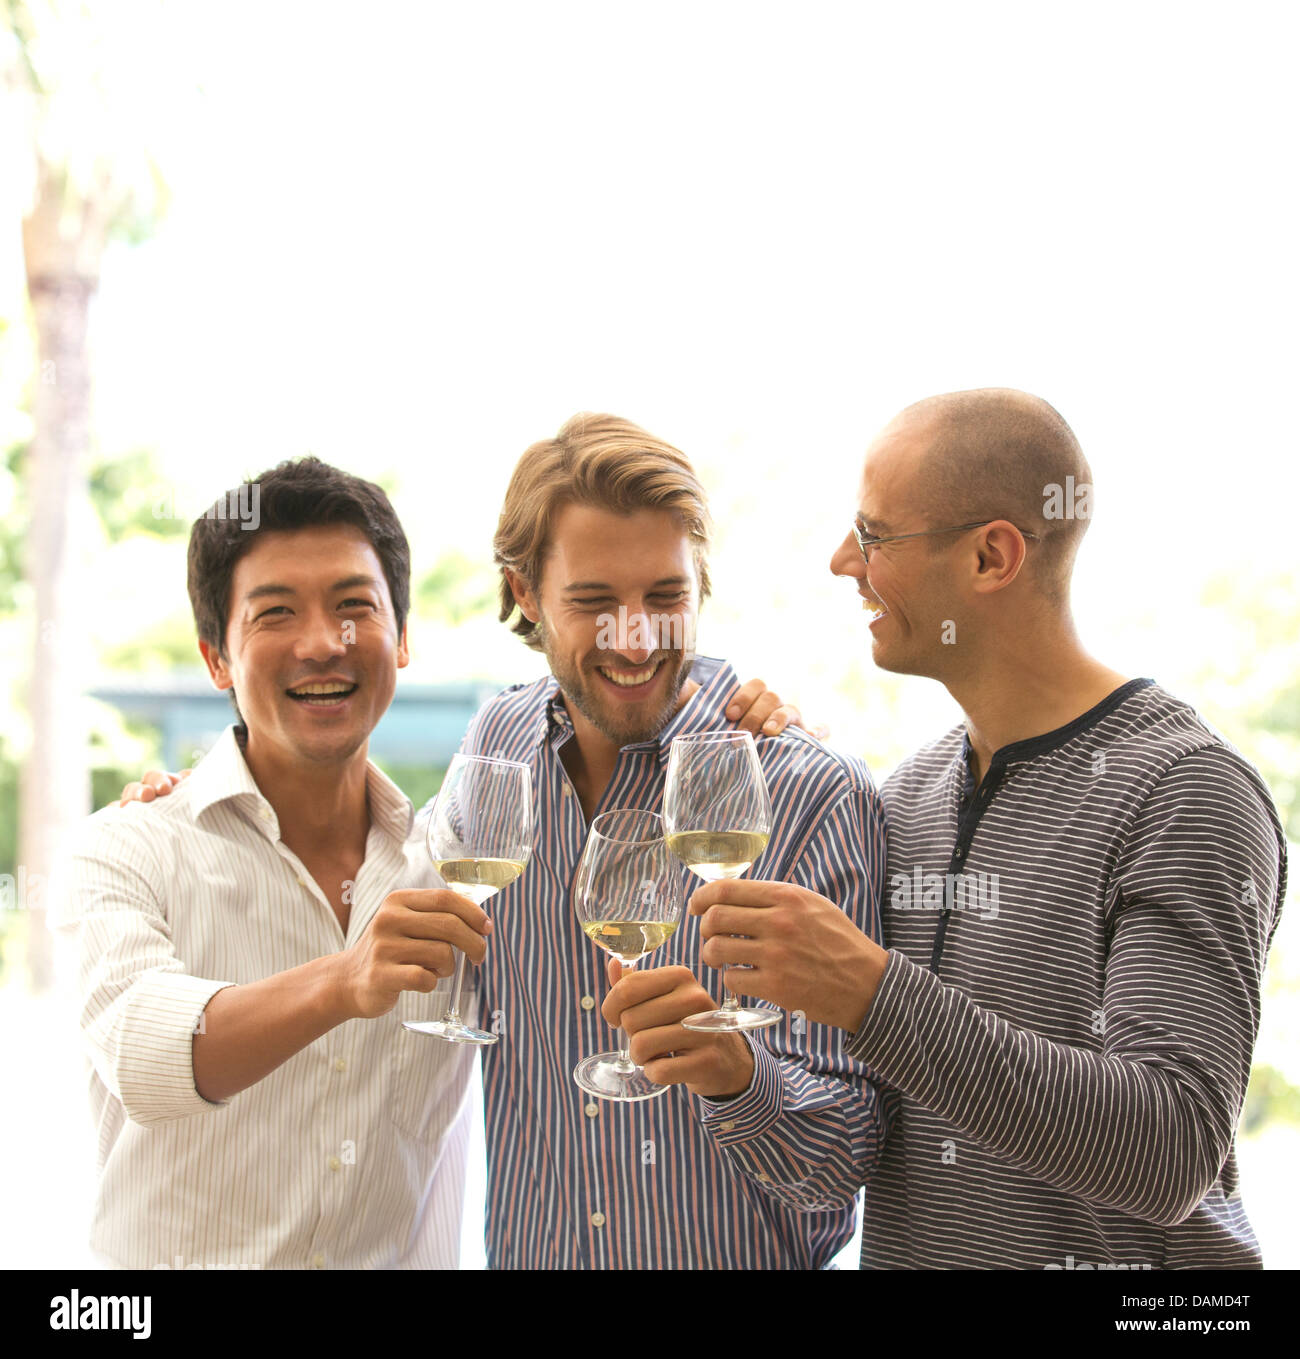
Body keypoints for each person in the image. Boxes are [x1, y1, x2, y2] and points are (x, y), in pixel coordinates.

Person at [109, 419, 863, 1270]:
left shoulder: (803, 792)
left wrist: (737, 1075)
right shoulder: (497, 748)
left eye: (665, 596)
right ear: (526, 594)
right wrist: (189, 796)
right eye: (593, 601)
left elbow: (847, 1162)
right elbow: (150, 1046)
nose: (635, 635)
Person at [686, 387, 1288, 1269]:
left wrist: (870, 993)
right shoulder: (909, 794)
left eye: (874, 534)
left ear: (992, 556)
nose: (840, 561)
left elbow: (1171, 1147)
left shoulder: (1187, 790)